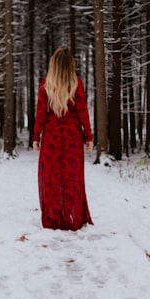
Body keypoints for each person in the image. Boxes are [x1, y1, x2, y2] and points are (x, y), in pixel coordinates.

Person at [32, 47, 93, 231]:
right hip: (72, 137)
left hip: (51, 137)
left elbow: (40, 114)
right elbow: (83, 113)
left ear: (54, 65)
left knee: (50, 179)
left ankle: (51, 220)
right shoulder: (77, 84)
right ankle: (72, 219)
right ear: (70, 66)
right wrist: (88, 136)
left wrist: (36, 137)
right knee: (72, 178)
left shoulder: (46, 85)